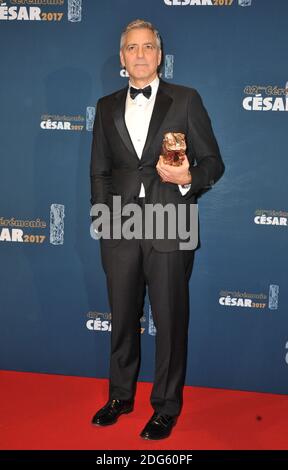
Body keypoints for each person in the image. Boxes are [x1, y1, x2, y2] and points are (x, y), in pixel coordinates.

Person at [90, 19, 224, 440]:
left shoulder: (186, 100)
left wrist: (186, 177)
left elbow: (213, 163)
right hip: (120, 225)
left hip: (172, 220)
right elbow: (99, 172)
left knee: (169, 319)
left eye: (149, 46)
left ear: (160, 55)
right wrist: (105, 223)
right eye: (133, 47)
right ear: (123, 57)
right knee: (122, 317)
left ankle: (166, 406)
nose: (141, 54)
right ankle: (120, 395)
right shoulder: (106, 105)